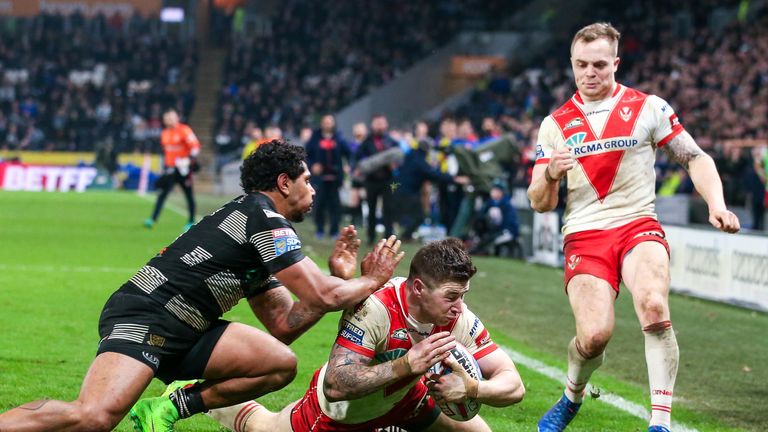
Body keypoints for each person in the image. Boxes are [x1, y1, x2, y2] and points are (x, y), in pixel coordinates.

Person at [0, 141, 404, 432]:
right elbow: (324, 295)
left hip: (187, 327)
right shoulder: (264, 219)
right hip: (148, 315)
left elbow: (284, 323)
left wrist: (343, 279)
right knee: (95, 417)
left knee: (279, 363)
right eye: (307, 180)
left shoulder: (252, 225)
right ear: (284, 182)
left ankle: (168, 408)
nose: (313, 190)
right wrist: (369, 279)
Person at [528, 23, 741, 432]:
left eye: (599, 65)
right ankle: (571, 397)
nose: (590, 73)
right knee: (593, 337)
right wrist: (550, 173)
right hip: (585, 235)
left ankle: (659, 423)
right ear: (571, 65)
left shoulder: (648, 107)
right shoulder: (554, 124)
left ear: (616, 63)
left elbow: (695, 158)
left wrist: (717, 204)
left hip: (638, 223)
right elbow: (540, 203)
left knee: (654, 306)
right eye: (581, 65)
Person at [208, 238, 525, 432]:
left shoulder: (456, 317)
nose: (460, 306)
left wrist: (472, 388)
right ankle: (196, 393)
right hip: (341, 415)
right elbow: (336, 385)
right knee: (261, 427)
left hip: (403, 399)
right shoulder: (378, 308)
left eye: (464, 294)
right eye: (452, 295)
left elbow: (513, 385)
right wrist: (406, 366)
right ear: (418, 288)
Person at [145, 108, 201, 230]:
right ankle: (153, 219)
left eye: (170, 118)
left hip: (183, 169)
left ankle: (191, 221)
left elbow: (195, 146)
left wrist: (188, 159)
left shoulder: (184, 130)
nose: (168, 120)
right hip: (170, 169)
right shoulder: (165, 133)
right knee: (162, 194)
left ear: (176, 118)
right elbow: (167, 152)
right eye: (166, 118)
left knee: (188, 195)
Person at [305, 114, 351, 239]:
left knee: (335, 206)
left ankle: (334, 231)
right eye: (325, 121)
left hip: (335, 178)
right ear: (321, 123)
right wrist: (313, 165)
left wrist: (349, 166)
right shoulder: (315, 138)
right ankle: (319, 229)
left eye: (330, 122)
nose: (327, 124)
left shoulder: (339, 138)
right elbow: (306, 155)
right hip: (320, 179)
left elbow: (349, 154)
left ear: (334, 123)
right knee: (319, 204)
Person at [356, 114, 399, 245]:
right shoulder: (366, 142)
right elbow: (357, 158)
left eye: (382, 123)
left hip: (390, 181)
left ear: (386, 125)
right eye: (377, 123)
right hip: (371, 180)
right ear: (372, 125)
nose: (379, 126)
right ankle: (370, 237)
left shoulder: (392, 141)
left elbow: (400, 159)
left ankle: (389, 237)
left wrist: (395, 165)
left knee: (389, 209)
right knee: (371, 209)